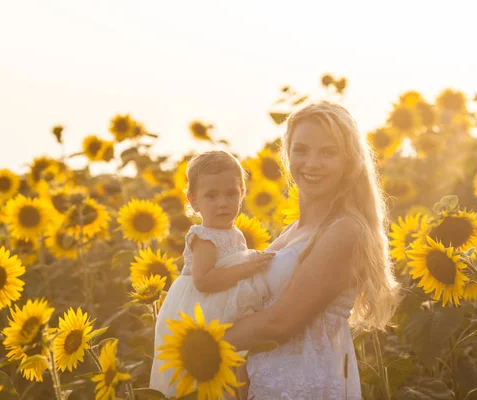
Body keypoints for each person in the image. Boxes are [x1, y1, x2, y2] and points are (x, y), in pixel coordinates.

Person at [224, 101, 401, 399]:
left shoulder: (345, 230)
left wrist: (201, 340)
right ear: (287, 153)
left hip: (303, 385)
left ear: (350, 161)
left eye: (328, 152)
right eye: (301, 150)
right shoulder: (291, 232)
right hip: (264, 383)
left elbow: (279, 324)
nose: (311, 163)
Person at [149, 150, 275, 397]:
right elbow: (204, 281)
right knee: (207, 368)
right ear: (194, 202)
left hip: (224, 305)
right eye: (211, 196)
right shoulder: (204, 237)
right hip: (201, 309)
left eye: (231, 193)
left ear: (242, 194)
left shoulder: (236, 233)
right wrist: (247, 268)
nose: (222, 202)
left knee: (235, 365)